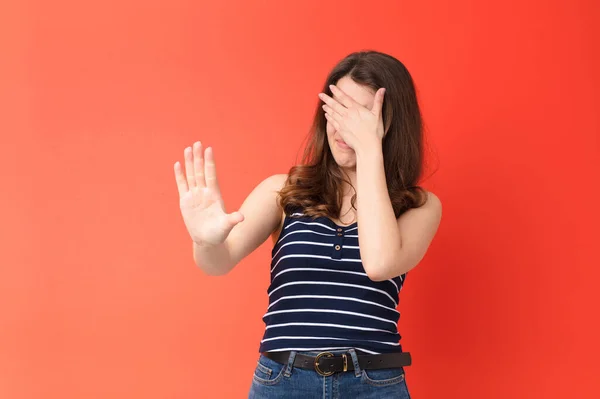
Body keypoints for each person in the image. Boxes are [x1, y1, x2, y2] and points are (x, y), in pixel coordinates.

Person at [174, 50, 442, 398]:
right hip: (283, 380)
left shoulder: (419, 206)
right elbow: (217, 263)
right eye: (337, 110)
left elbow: (379, 264)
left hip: (374, 385)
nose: (344, 127)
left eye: (360, 114)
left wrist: (369, 151)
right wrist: (205, 241)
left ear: (391, 123)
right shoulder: (282, 190)